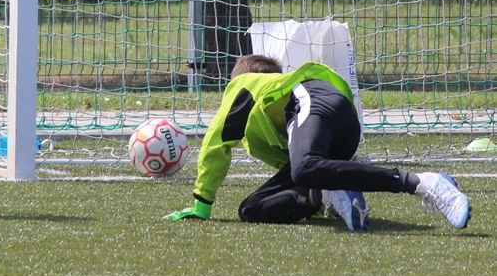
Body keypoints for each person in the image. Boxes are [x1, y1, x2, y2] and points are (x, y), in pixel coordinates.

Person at [164, 54, 471, 232]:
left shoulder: (244, 84)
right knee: (251, 209)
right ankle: (322, 194)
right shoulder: (270, 120)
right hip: (342, 129)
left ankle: (423, 183)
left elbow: (215, 142)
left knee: (305, 167)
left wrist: (201, 205)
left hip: (315, 101)